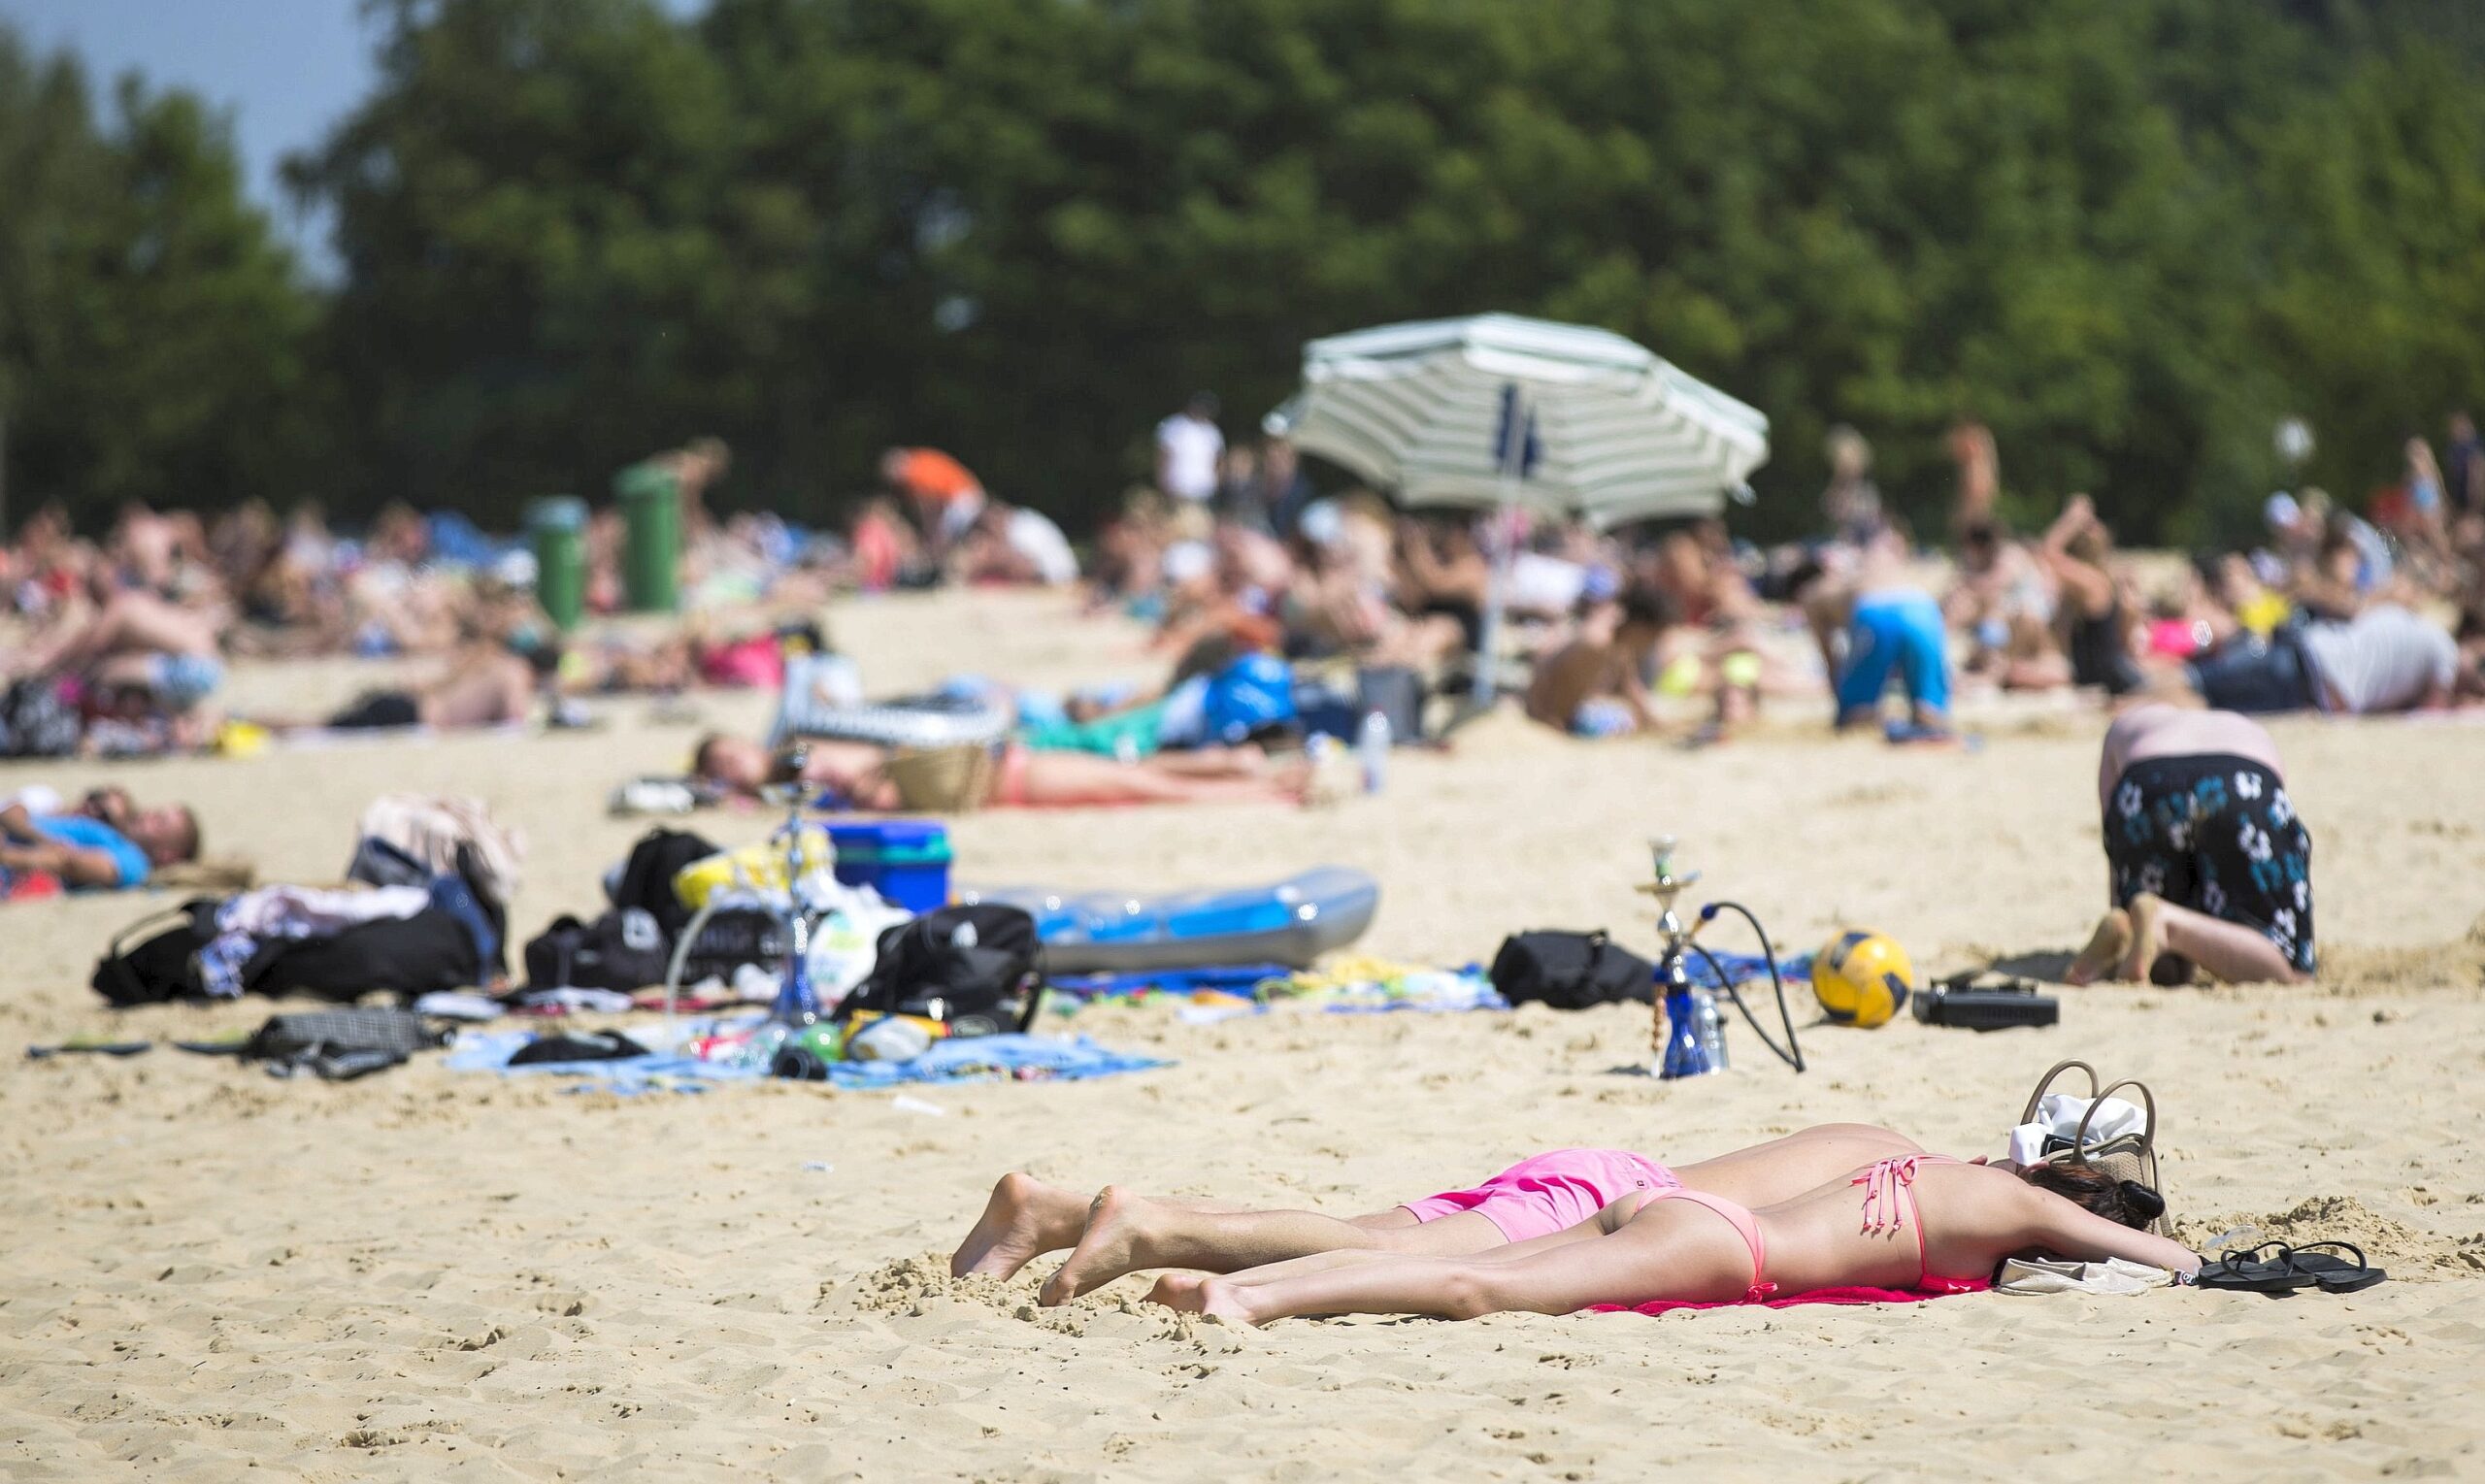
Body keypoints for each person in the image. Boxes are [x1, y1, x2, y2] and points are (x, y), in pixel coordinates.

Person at [1141, 1153, 2196, 1326]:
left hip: (1673, 1204)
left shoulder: (1948, 1168)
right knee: (1473, 1289)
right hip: (1729, 1251)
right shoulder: (2031, 1213)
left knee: (1443, 1262)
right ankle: (1248, 1298)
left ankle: (1216, 1278)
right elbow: (2180, 1266)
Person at [956, 1123, 1953, 1304]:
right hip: (1611, 1198)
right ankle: (1147, 1225)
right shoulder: (1938, 1180)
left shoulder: (1882, 1134)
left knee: (1366, 1233)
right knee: (1362, 1247)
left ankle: (1051, 1210)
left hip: (1597, 1166)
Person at [2068, 705, 2312, 986]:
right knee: (2290, 966)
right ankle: (2167, 924)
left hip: (2148, 777)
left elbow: (2115, 846)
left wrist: (2123, 908)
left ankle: (2129, 936)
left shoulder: (2125, 725)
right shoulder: (2248, 727)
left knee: (2163, 963)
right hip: (2241, 779)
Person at [692, 734, 1309, 811]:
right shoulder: (795, 766)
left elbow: (867, 789)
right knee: (1136, 777)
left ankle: (1264, 787)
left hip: (1001, 778)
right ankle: (1249, 772)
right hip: (997, 773)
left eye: (729, 753)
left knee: (1141, 784)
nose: (735, 763)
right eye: (722, 765)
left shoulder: (799, 758)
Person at [1524, 586, 1675, 737]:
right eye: (1654, 636)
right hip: (1552, 713)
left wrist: (1651, 719)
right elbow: (1561, 690)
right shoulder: (1596, 645)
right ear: (1641, 628)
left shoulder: (1619, 635)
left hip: (1563, 708)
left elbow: (1629, 682)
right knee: (1622, 722)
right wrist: (1558, 725)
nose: (1653, 643)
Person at [1, 791, 199, 891]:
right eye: (156, 812)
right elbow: (14, 812)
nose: (149, 814)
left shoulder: (134, 862)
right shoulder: (116, 834)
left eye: (159, 822)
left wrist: (7, 855)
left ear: (167, 855)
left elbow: (71, 863)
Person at [1155, 393, 1225, 510]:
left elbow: (1219, 460)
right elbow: (1163, 456)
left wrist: (1217, 484)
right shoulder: (1174, 425)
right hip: (1178, 489)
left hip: (1205, 490)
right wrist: (1163, 482)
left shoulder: (1212, 431)